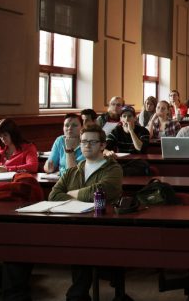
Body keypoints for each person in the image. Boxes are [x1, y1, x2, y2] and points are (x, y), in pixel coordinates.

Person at [49, 125, 124, 301]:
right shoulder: (74, 170)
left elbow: (102, 191)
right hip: (76, 225)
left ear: (103, 145)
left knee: (82, 242)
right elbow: (53, 196)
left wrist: (71, 194)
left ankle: (78, 293)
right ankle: (79, 293)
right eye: (83, 142)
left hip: (106, 228)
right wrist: (83, 196)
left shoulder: (113, 169)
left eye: (92, 142)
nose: (87, 146)